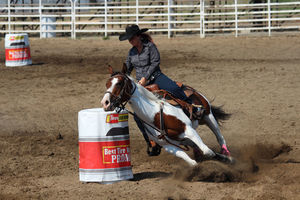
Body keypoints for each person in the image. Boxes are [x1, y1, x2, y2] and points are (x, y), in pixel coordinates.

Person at [119, 24, 201, 156]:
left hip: (156, 77)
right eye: (129, 39)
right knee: (138, 117)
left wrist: (145, 77)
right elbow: (128, 68)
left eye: (132, 38)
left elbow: (155, 62)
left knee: (173, 88)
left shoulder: (150, 47)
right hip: (141, 84)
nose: (130, 41)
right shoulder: (131, 52)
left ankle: (193, 108)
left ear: (138, 36)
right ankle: (151, 141)